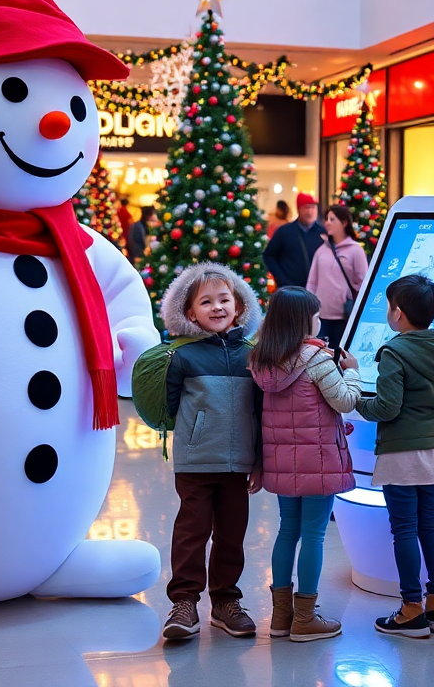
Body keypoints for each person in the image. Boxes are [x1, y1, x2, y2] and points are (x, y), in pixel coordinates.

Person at [158, 263, 264, 640]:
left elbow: (260, 410)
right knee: (192, 531)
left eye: (224, 300)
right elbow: (170, 406)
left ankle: (225, 601)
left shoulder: (251, 355)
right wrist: (194, 431)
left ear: (239, 306)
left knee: (232, 534)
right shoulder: (184, 356)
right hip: (196, 460)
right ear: (190, 313)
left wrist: (261, 459)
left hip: (238, 463)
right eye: (206, 302)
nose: (217, 307)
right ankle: (184, 601)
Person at [249, 286, 361, 641]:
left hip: (281, 461)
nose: (319, 320)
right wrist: (353, 372)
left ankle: (281, 617)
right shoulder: (316, 359)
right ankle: (306, 619)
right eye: (315, 315)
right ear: (303, 320)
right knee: (314, 534)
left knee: (287, 531)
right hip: (319, 461)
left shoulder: (262, 360)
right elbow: (344, 401)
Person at [355, 274, 434, 638]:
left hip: (402, 452)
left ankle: (410, 610)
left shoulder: (393, 352)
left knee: (404, 528)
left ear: (398, 313)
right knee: (429, 524)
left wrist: (355, 398)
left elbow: (387, 407)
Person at [306, 204, 368, 347]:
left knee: (340, 355)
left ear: (344, 222)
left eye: (332, 219)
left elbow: (363, 282)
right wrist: (308, 308)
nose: (327, 223)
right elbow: (312, 282)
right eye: (327, 219)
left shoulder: (355, 250)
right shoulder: (321, 250)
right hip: (320, 316)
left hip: (344, 316)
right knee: (321, 354)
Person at [264, 192, 324, 288]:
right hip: (291, 291)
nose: (310, 212)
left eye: (312, 207)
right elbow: (269, 255)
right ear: (299, 209)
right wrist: (282, 279)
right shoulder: (284, 232)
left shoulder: (323, 233)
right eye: (306, 208)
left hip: (317, 290)